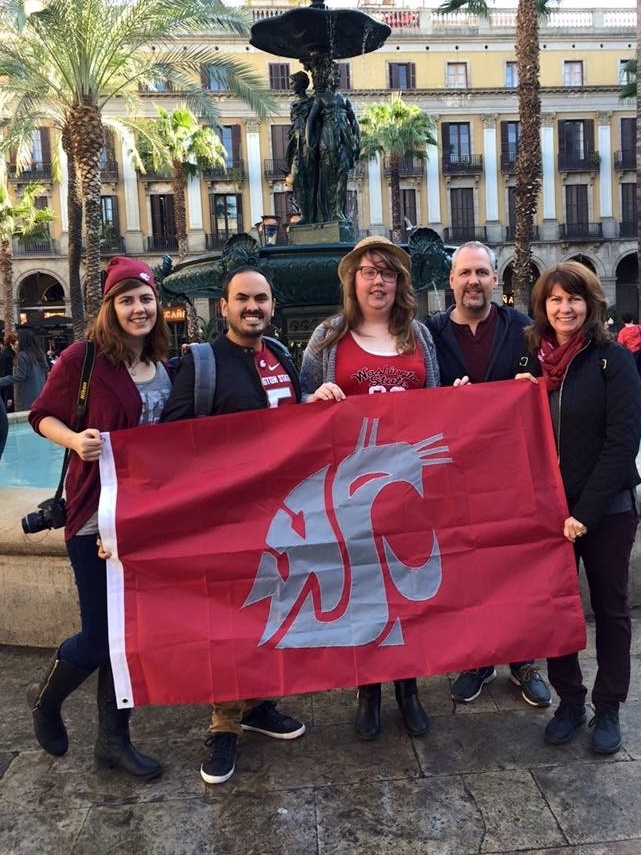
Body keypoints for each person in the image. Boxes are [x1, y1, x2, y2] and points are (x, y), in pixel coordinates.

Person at [27, 257, 172, 779]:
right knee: (97, 636)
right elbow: (42, 414)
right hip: (94, 515)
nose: (139, 308)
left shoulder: (163, 363)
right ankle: (44, 699)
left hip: (145, 521)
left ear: (158, 304)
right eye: (127, 299)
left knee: (126, 637)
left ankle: (113, 740)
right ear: (110, 308)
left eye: (146, 298)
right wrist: (75, 440)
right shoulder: (82, 359)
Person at [161, 266, 306, 785]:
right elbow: (172, 436)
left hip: (281, 518)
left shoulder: (282, 358)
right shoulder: (202, 364)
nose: (253, 307)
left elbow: (299, 425)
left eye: (261, 299)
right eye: (242, 299)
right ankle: (224, 724)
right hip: (225, 520)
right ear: (223, 307)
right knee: (226, 621)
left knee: (268, 611)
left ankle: (260, 704)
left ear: (272, 306)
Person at [300, 235, 440, 741]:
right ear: (352, 282)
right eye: (367, 271)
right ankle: (369, 690)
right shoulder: (327, 338)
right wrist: (315, 396)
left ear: (399, 283)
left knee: (407, 588)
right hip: (350, 491)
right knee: (363, 590)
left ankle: (409, 688)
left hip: (408, 488)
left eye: (386, 271)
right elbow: (300, 403)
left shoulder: (419, 336)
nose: (377, 280)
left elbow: (437, 402)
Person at [516, 261, 641, 754]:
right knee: (556, 611)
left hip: (607, 512)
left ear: (590, 304)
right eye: (554, 300)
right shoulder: (533, 366)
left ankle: (608, 705)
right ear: (543, 309)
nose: (564, 308)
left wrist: (582, 512)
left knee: (611, 610)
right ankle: (571, 700)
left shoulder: (615, 361)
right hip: (553, 515)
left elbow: (622, 443)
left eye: (573, 299)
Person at [426, 241, 551, 710]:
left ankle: (523, 660)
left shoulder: (524, 330)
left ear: (495, 279)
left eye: (481, 272)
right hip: (454, 477)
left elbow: (553, 387)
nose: (473, 281)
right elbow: (417, 394)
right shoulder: (431, 334)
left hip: (514, 473)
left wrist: (535, 386)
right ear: (452, 281)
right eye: (465, 273)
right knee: (468, 568)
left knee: (517, 565)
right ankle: (477, 659)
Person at [305, 64, 360, 222]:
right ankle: (327, 213)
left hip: (344, 141)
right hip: (328, 140)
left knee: (341, 176)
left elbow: (354, 121)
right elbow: (310, 121)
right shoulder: (321, 98)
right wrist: (309, 144)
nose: (336, 77)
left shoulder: (344, 100)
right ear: (327, 77)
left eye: (338, 75)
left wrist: (358, 140)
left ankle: (338, 211)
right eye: (333, 75)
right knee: (328, 177)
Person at [285, 70, 316, 223]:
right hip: (295, 145)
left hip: (308, 145)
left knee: (310, 181)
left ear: (302, 84)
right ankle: (305, 215)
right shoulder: (294, 104)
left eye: (293, 83)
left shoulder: (312, 103)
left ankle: (312, 216)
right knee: (297, 181)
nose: (290, 86)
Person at [0, 328, 48, 411]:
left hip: (25, 397)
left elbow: (20, 376)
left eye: (17, 340)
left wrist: (1, 381)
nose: (16, 343)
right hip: (41, 395)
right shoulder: (40, 354)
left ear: (22, 341)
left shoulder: (22, 355)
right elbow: (46, 372)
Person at [616, 312, 641, 384]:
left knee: (634, 375)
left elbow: (620, 346)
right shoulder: (640, 328)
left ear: (623, 321)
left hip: (631, 356)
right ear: (632, 320)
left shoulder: (622, 332)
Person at [0, 333, 16, 411]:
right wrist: (9, 396)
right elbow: (9, 373)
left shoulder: (5, 354)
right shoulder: (10, 355)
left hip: (5, 386)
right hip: (8, 388)